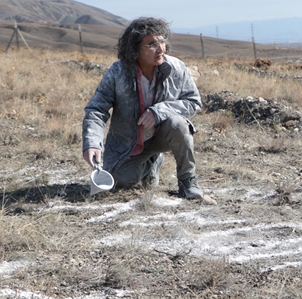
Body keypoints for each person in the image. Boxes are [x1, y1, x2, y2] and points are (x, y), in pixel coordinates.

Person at [82, 16, 213, 202]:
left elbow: (193, 102)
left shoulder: (176, 68)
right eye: (152, 44)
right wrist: (92, 143)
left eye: (162, 41)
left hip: (163, 135)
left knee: (178, 124)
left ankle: (188, 182)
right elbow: (96, 109)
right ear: (136, 48)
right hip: (128, 143)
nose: (161, 49)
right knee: (119, 181)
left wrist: (159, 111)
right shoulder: (118, 72)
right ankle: (151, 163)